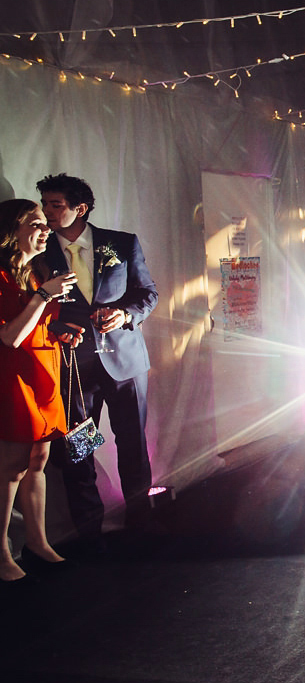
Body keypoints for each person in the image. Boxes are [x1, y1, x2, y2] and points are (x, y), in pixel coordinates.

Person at [37, 174, 158, 544]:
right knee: (79, 449)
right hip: (73, 366)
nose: (48, 213)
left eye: (55, 205)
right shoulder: (39, 253)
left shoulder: (121, 243)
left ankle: (142, 525)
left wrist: (125, 315)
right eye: (44, 205)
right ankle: (88, 532)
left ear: (80, 208)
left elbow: (147, 293)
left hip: (125, 360)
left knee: (133, 444)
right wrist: (58, 329)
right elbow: (36, 308)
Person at [1, 199, 82, 586]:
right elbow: (10, 336)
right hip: (13, 376)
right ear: (11, 230)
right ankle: (2, 551)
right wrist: (45, 296)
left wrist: (59, 332)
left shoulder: (36, 272)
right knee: (11, 467)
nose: (46, 228)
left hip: (44, 372)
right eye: (36, 222)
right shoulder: (2, 275)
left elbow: (36, 326)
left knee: (39, 459)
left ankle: (38, 542)